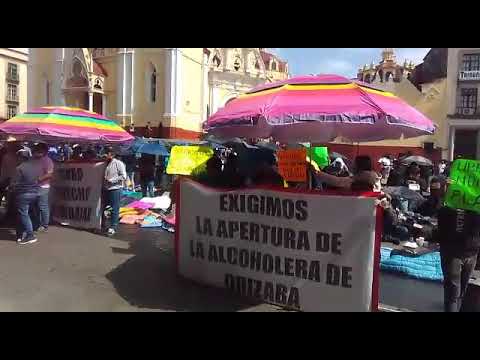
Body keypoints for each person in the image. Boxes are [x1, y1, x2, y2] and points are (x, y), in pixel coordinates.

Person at [436, 205, 480, 312]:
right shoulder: (475, 206)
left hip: (455, 253)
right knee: (457, 294)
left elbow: (441, 231)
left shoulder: (447, 208)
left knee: (454, 295)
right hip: (468, 252)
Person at [12, 148, 42, 244]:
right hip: (35, 193)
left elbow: (15, 183)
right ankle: (24, 233)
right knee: (27, 214)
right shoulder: (35, 167)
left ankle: (30, 235)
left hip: (23, 194)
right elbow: (38, 179)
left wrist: (11, 187)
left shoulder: (19, 168)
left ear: (21, 157)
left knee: (23, 214)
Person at [103, 147, 127, 236]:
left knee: (114, 209)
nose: (105, 155)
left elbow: (123, 176)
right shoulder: (104, 163)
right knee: (103, 207)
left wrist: (112, 180)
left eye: (107, 153)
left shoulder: (119, 163)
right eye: (104, 153)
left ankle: (113, 227)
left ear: (112, 154)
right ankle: (103, 224)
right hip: (105, 188)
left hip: (115, 189)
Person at [31, 143, 54, 233]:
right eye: (36, 149)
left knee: (42, 206)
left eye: (39, 149)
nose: (37, 151)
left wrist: (38, 179)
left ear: (44, 151)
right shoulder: (34, 159)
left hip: (43, 187)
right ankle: (36, 223)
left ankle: (44, 225)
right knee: (34, 206)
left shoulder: (48, 161)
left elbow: (49, 174)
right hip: (33, 186)